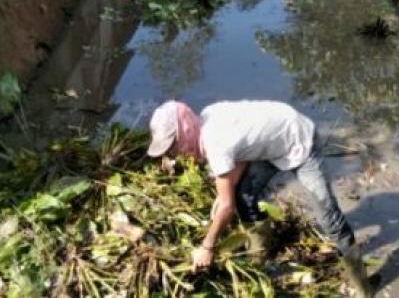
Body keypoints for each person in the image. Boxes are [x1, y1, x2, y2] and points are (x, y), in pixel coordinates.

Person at [147, 99, 373, 297]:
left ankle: (363, 288)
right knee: (244, 195)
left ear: (185, 129)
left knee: (328, 217)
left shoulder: (215, 144)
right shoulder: (206, 117)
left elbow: (226, 206)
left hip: (299, 140)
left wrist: (207, 247)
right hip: (271, 146)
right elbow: (244, 150)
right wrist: (227, 190)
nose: (173, 154)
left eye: (173, 146)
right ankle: (260, 256)